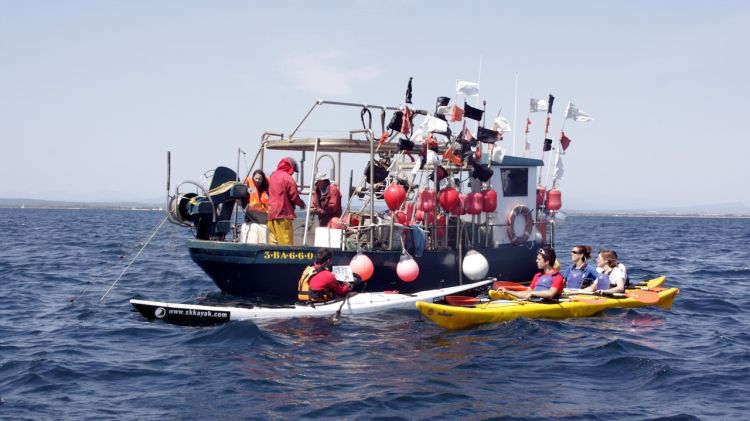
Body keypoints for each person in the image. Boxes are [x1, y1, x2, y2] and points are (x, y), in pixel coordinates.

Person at [499, 246, 564, 300]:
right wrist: (507, 291)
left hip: (550, 304)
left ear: (547, 262)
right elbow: (527, 293)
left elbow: (550, 294)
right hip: (534, 302)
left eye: (539, 259)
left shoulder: (557, 277)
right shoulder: (537, 276)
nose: (536, 261)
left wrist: (532, 293)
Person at [267, 157, 306, 245]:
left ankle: (273, 259)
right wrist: (302, 204)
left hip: (271, 214)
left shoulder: (273, 176)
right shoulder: (288, 178)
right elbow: (294, 196)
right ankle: (286, 259)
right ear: (291, 167)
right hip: (283, 214)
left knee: (274, 242)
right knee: (286, 243)